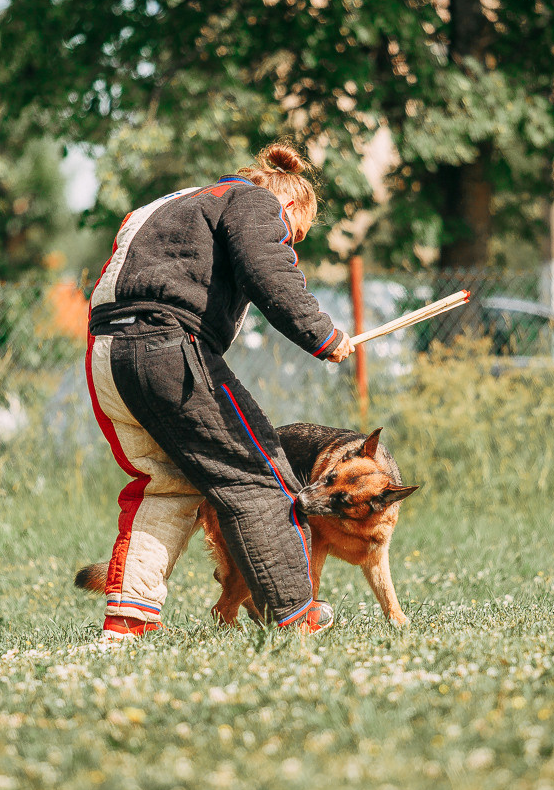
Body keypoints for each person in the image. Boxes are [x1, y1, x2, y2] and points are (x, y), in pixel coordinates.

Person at [84, 141, 354, 640]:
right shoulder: (256, 202)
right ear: (289, 207)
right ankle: (297, 616)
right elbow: (269, 271)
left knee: (165, 483)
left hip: (107, 354)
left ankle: (126, 623)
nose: (290, 246)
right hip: (168, 345)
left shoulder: (173, 203)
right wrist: (323, 335)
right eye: (293, 237)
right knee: (260, 474)